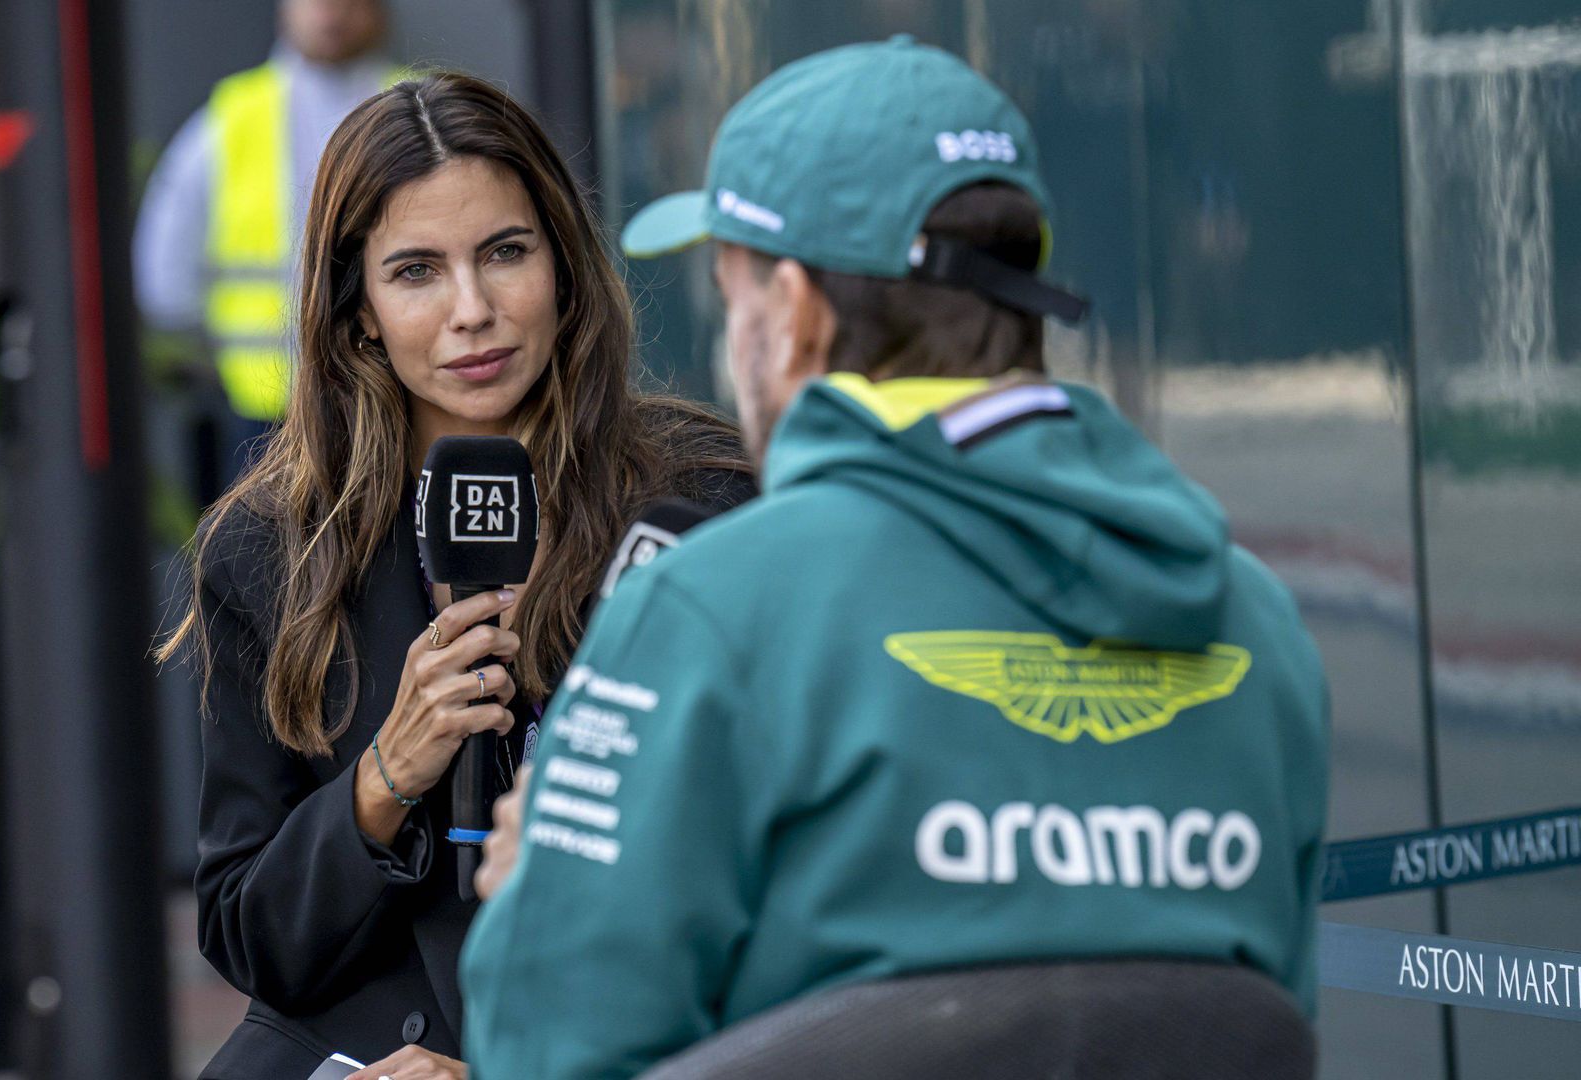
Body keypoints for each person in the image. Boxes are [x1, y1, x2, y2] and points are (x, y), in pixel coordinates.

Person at [459, 37, 1329, 1079]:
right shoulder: (1259, 625)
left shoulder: (707, 615)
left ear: (794, 314)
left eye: (734, 301)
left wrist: (531, 900)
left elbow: (547, 1051)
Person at [157, 71, 753, 1080]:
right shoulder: (268, 548)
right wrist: (386, 776)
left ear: (563, 269)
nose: (472, 311)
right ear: (359, 315)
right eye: (417, 272)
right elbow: (247, 931)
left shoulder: (700, 499)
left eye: (505, 254)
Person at [134, 0, 405, 438]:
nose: (330, 11)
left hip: (392, 401)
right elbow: (165, 283)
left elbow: (167, 287)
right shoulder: (232, 119)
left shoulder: (421, 107)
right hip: (266, 412)